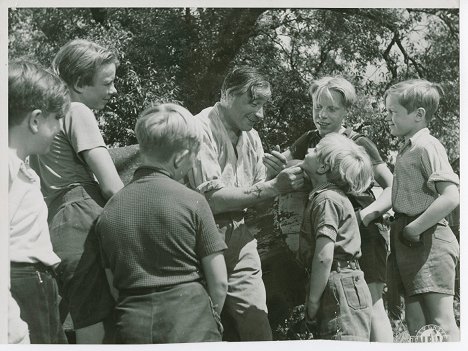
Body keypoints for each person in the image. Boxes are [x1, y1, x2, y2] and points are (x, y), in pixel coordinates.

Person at [264, 76, 394, 341]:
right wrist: (275, 166)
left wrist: (365, 217)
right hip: (330, 234)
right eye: (316, 108)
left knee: (371, 304)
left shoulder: (359, 142)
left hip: (364, 231)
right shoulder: (310, 140)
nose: (321, 116)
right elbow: (280, 169)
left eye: (331, 109)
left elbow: (394, 186)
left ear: (346, 110)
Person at [188, 66, 304, 341]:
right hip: (200, 235)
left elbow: (257, 204)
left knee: (256, 321)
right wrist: (273, 186)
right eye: (254, 103)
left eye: (263, 105)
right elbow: (212, 201)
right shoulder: (199, 127)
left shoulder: (251, 136)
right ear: (228, 95)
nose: (260, 114)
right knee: (201, 323)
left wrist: (272, 178)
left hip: (240, 236)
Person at [95, 103, 228, 343]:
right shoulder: (193, 201)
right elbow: (219, 282)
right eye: (193, 158)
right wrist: (212, 319)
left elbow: (113, 285)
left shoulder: (110, 209)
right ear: (180, 158)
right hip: (192, 322)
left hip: (132, 327)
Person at [30, 39, 124, 343]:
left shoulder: (42, 117)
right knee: (98, 323)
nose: (114, 91)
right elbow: (112, 186)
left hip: (54, 223)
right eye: (107, 82)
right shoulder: (78, 110)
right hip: (82, 215)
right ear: (80, 83)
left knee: (82, 316)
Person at [384, 79, 459, 341]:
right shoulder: (407, 148)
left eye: (393, 112)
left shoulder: (428, 146)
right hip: (409, 242)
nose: (388, 117)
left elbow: (450, 196)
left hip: (429, 240)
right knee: (416, 322)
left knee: (440, 320)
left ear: (418, 115)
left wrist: (414, 227)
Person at [8, 60, 70, 343]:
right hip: (21, 282)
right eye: (56, 118)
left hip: (37, 282)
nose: (60, 127)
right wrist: (14, 331)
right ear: (35, 120)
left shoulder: (22, 165)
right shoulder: (6, 167)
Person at [298, 133, 373, 341]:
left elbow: (324, 256)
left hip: (339, 286)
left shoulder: (326, 200)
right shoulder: (330, 196)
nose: (309, 150)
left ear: (323, 167)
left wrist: (313, 302)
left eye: (316, 150)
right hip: (342, 283)